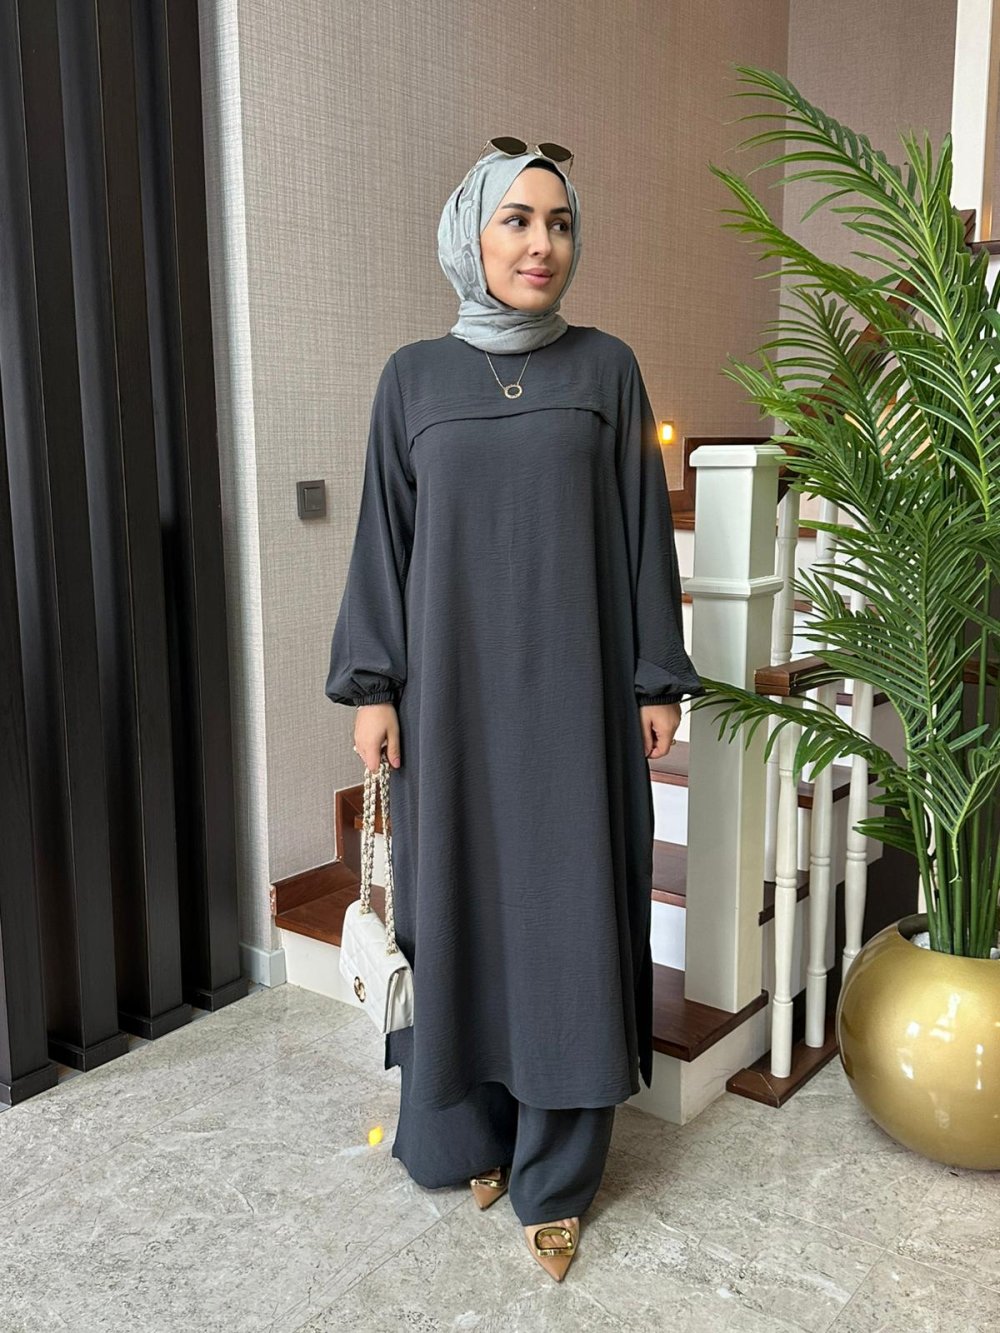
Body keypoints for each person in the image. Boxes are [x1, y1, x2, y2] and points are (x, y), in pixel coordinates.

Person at [325, 138, 705, 1281]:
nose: (543, 245)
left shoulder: (607, 370)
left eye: (560, 223)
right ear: (471, 236)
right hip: (448, 709)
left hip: (575, 706)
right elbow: (383, 541)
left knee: (568, 924)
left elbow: (641, 534)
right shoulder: (411, 380)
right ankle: (470, 1136)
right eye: (518, 221)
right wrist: (372, 687)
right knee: (461, 914)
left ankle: (556, 1173)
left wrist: (653, 677)